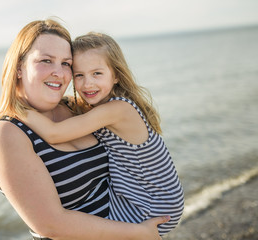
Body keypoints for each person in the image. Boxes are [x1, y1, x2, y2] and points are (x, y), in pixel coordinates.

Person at [0, 19, 170, 240]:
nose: (59, 72)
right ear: (18, 68)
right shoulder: (7, 133)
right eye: (46, 60)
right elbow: (51, 225)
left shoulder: (78, 108)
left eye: (66, 63)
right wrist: (138, 233)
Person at [24, 32, 184, 235]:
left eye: (97, 74)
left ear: (116, 75)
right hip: (148, 199)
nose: (87, 84)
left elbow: (54, 134)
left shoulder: (118, 109)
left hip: (152, 206)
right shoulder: (103, 107)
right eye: (79, 75)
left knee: (73, 228)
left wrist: (17, 109)